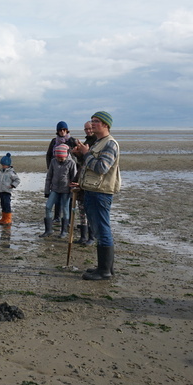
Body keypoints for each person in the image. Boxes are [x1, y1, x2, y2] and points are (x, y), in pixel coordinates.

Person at [73, 111, 121, 281]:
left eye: (96, 122)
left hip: (101, 192)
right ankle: (105, 267)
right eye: (92, 121)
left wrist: (86, 154)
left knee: (102, 229)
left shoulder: (110, 144)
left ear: (106, 125)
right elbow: (89, 165)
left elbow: (102, 168)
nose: (92, 124)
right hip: (93, 190)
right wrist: (81, 154)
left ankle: (105, 271)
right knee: (99, 229)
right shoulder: (99, 142)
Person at [40, 144, 78, 239]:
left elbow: (74, 179)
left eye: (61, 158)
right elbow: (49, 177)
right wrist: (47, 190)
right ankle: (48, 230)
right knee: (48, 206)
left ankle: (64, 231)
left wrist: (73, 193)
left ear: (66, 155)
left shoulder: (71, 163)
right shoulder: (53, 162)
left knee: (65, 209)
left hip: (66, 191)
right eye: (58, 157)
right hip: (55, 189)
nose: (60, 159)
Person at [45, 121, 79, 223]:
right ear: (57, 131)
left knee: (68, 199)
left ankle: (68, 220)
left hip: (70, 170)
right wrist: (50, 168)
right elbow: (48, 155)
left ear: (67, 130)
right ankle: (56, 217)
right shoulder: (54, 141)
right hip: (56, 169)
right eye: (60, 130)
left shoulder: (72, 141)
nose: (62, 132)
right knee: (56, 197)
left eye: (64, 130)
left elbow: (77, 155)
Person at [74, 121, 97, 245]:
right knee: (81, 209)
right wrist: (77, 154)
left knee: (90, 212)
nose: (88, 131)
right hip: (81, 179)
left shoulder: (97, 143)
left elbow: (91, 162)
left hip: (90, 181)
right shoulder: (86, 142)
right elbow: (82, 162)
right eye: (86, 129)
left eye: (90, 129)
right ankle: (83, 237)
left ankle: (91, 237)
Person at [0, 152, 20, 226]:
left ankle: (8, 219)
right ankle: (3, 218)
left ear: (8, 165)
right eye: (2, 165)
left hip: (7, 191)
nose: (2, 166)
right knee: (3, 204)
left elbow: (17, 180)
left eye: (4, 165)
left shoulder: (11, 173)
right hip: (1, 191)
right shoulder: (1, 172)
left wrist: (13, 185)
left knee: (7, 204)